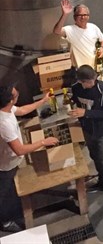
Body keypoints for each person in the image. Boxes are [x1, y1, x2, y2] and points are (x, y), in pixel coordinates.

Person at [0, 86, 59, 233]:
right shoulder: (4, 124)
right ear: (10, 100)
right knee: (5, 194)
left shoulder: (6, 109)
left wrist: (43, 100)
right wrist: (43, 142)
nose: (18, 94)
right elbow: (19, 149)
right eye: (15, 93)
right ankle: (6, 222)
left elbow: (22, 110)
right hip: (5, 165)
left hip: (10, 160)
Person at [69, 65, 103, 206]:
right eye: (89, 82)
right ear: (81, 81)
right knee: (94, 156)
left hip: (101, 130)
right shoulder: (76, 88)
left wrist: (85, 113)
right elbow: (74, 101)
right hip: (87, 129)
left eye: (93, 80)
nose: (92, 83)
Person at [53, 0, 103, 68]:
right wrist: (64, 14)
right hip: (80, 70)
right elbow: (56, 31)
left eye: (85, 15)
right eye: (80, 15)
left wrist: (102, 48)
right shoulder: (70, 30)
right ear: (74, 17)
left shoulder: (93, 27)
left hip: (96, 67)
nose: (83, 17)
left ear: (88, 16)